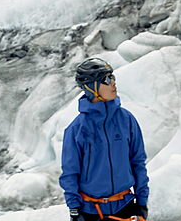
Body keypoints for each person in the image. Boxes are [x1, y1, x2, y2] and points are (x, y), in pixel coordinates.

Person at [59, 58, 150, 221]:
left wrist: (142, 203)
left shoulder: (127, 120)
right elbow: (70, 173)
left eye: (112, 77)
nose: (113, 83)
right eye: (106, 80)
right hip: (90, 212)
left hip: (125, 207)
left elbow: (138, 162)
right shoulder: (76, 129)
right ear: (91, 87)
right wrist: (74, 209)